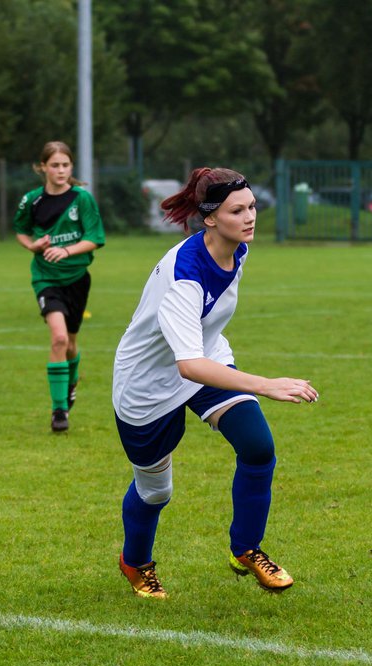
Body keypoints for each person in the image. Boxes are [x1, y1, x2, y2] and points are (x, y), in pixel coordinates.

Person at [111, 167, 318, 599]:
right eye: (237, 210)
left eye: (252, 207)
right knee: (155, 492)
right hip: (148, 386)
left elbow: (198, 349)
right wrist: (266, 383)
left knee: (258, 448)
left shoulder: (237, 249)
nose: (250, 217)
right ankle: (135, 562)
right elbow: (187, 365)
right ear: (209, 218)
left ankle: (245, 548)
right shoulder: (183, 278)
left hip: (205, 357)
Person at [14, 141, 106, 433]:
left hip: (77, 278)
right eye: (54, 165)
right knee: (59, 338)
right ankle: (59, 410)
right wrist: (34, 246)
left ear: (71, 167)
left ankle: (70, 383)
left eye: (65, 165)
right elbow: (21, 231)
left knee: (71, 343)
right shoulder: (31, 200)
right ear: (43, 168)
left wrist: (67, 251)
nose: (61, 170)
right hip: (46, 278)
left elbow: (95, 238)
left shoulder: (82, 199)